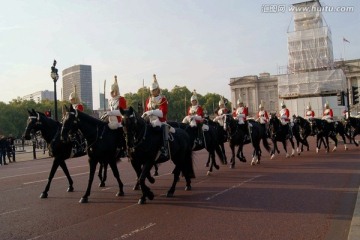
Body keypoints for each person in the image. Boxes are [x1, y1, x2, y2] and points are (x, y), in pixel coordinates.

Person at [142, 74, 169, 162]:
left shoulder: (163, 99)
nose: (153, 92)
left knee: (158, 126)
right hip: (149, 120)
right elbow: (146, 111)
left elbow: (163, 113)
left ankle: (163, 148)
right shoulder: (148, 100)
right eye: (152, 90)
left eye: (155, 90)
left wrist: (152, 111)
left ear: (158, 90)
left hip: (160, 121)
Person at [106, 75, 127, 158]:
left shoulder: (121, 99)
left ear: (117, 91)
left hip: (120, 121)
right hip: (112, 121)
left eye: (113, 91)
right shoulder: (110, 101)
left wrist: (111, 113)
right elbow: (110, 111)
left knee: (120, 133)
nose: (112, 93)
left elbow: (122, 112)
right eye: (111, 92)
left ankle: (123, 149)